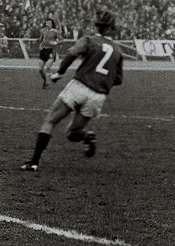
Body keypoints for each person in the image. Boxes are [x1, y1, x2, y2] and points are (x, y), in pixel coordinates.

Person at [21, 11, 124, 172]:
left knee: (50, 121)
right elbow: (118, 80)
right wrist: (102, 82)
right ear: (113, 28)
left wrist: (60, 72)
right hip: (98, 96)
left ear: (97, 26)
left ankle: (33, 162)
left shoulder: (89, 40)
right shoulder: (118, 51)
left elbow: (71, 53)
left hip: (79, 86)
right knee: (72, 133)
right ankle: (87, 136)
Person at [36, 17, 62, 88]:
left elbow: (62, 40)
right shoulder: (42, 30)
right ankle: (46, 81)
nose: (48, 24)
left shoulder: (55, 31)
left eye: (49, 23)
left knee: (47, 66)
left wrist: (55, 43)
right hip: (43, 51)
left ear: (52, 24)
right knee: (40, 69)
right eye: (47, 23)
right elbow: (40, 39)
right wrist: (38, 41)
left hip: (50, 50)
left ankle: (47, 83)